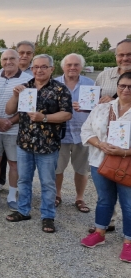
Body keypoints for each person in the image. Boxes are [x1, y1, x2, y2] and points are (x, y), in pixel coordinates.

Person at [5, 54, 72, 233]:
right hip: (25, 143)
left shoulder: (60, 89)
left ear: (51, 69)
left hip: (48, 145)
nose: (39, 70)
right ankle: (23, 210)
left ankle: (48, 216)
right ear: (31, 69)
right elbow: (9, 110)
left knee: (48, 182)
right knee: (24, 179)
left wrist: (45, 118)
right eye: (36, 67)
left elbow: (67, 114)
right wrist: (14, 96)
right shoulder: (26, 88)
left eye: (43, 67)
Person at [79, 71, 131, 262]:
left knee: (129, 204)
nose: (126, 90)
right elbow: (86, 130)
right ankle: (100, 232)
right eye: (122, 86)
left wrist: (124, 152)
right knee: (104, 200)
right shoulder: (102, 108)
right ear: (117, 87)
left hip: (127, 164)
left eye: (130, 87)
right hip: (99, 161)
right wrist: (100, 144)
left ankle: (129, 242)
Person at [0, 49, 32, 211]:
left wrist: (9, 121)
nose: (8, 62)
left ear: (18, 60)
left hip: (15, 129)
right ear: (0, 61)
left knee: (14, 163)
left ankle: (11, 196)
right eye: (5, 59)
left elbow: (28, 107)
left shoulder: (28, 79)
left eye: (12, 58)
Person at [53, 53, 94, 213]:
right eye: (69, 65)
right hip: (60, 133)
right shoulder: (54, 83)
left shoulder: (90, 84)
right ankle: (57, 195)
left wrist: (86, 107)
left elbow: (96, 108)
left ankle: (79, 198)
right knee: (58, 169)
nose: (72, 68)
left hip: (82, 134)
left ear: (81, 67)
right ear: (63, 66)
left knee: (81, 169)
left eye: (76, 65)